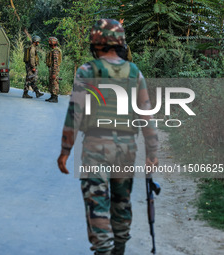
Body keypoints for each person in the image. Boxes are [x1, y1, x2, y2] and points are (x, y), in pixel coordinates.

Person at [57, 19, 159, 255]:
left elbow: (74, 115)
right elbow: (147, 115)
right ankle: (119, 249)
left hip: (96, 148)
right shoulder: (135, 72)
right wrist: (152, 152)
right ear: (119, 42)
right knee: (121, 202)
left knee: (97, 204)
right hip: (126, 148)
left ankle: (103, 251)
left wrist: (65, 151)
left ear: (96, 42)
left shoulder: (87, 71)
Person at [45, 37, 62, 103]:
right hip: (52, 68)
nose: (49, 43)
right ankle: (52, 96)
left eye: (50, 41)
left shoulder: (55, 51)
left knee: (55, 82)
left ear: (53, 42)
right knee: (51, 82)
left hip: (54, 69)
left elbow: (56, 63)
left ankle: (55, 97)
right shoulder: (53, 50)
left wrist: (54, 73)